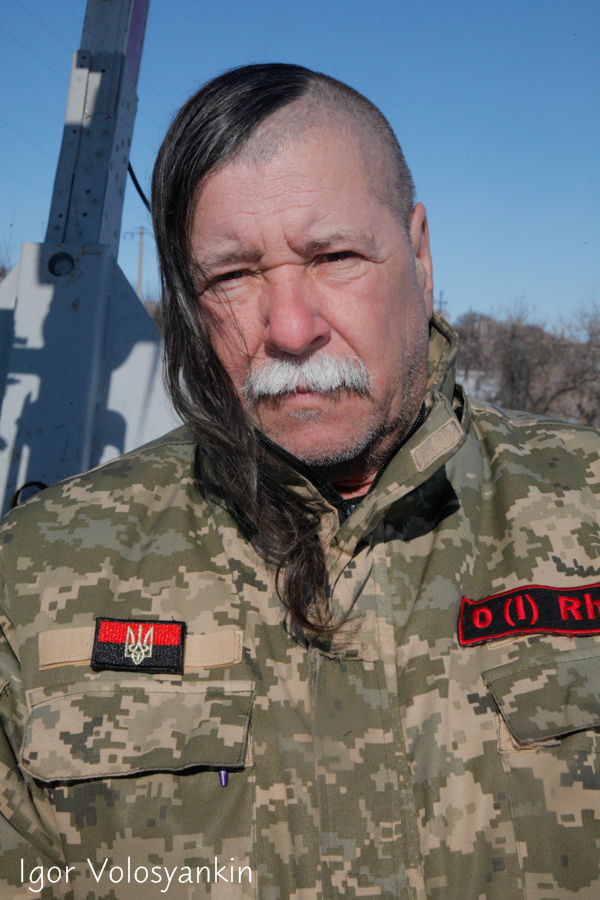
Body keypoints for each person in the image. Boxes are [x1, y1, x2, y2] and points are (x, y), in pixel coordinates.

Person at [1, 63, 600, 900]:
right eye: (232, 276)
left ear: (420, 253)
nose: (289, 328)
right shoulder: (34, 574)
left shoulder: (586, 505)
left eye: (334, 256)